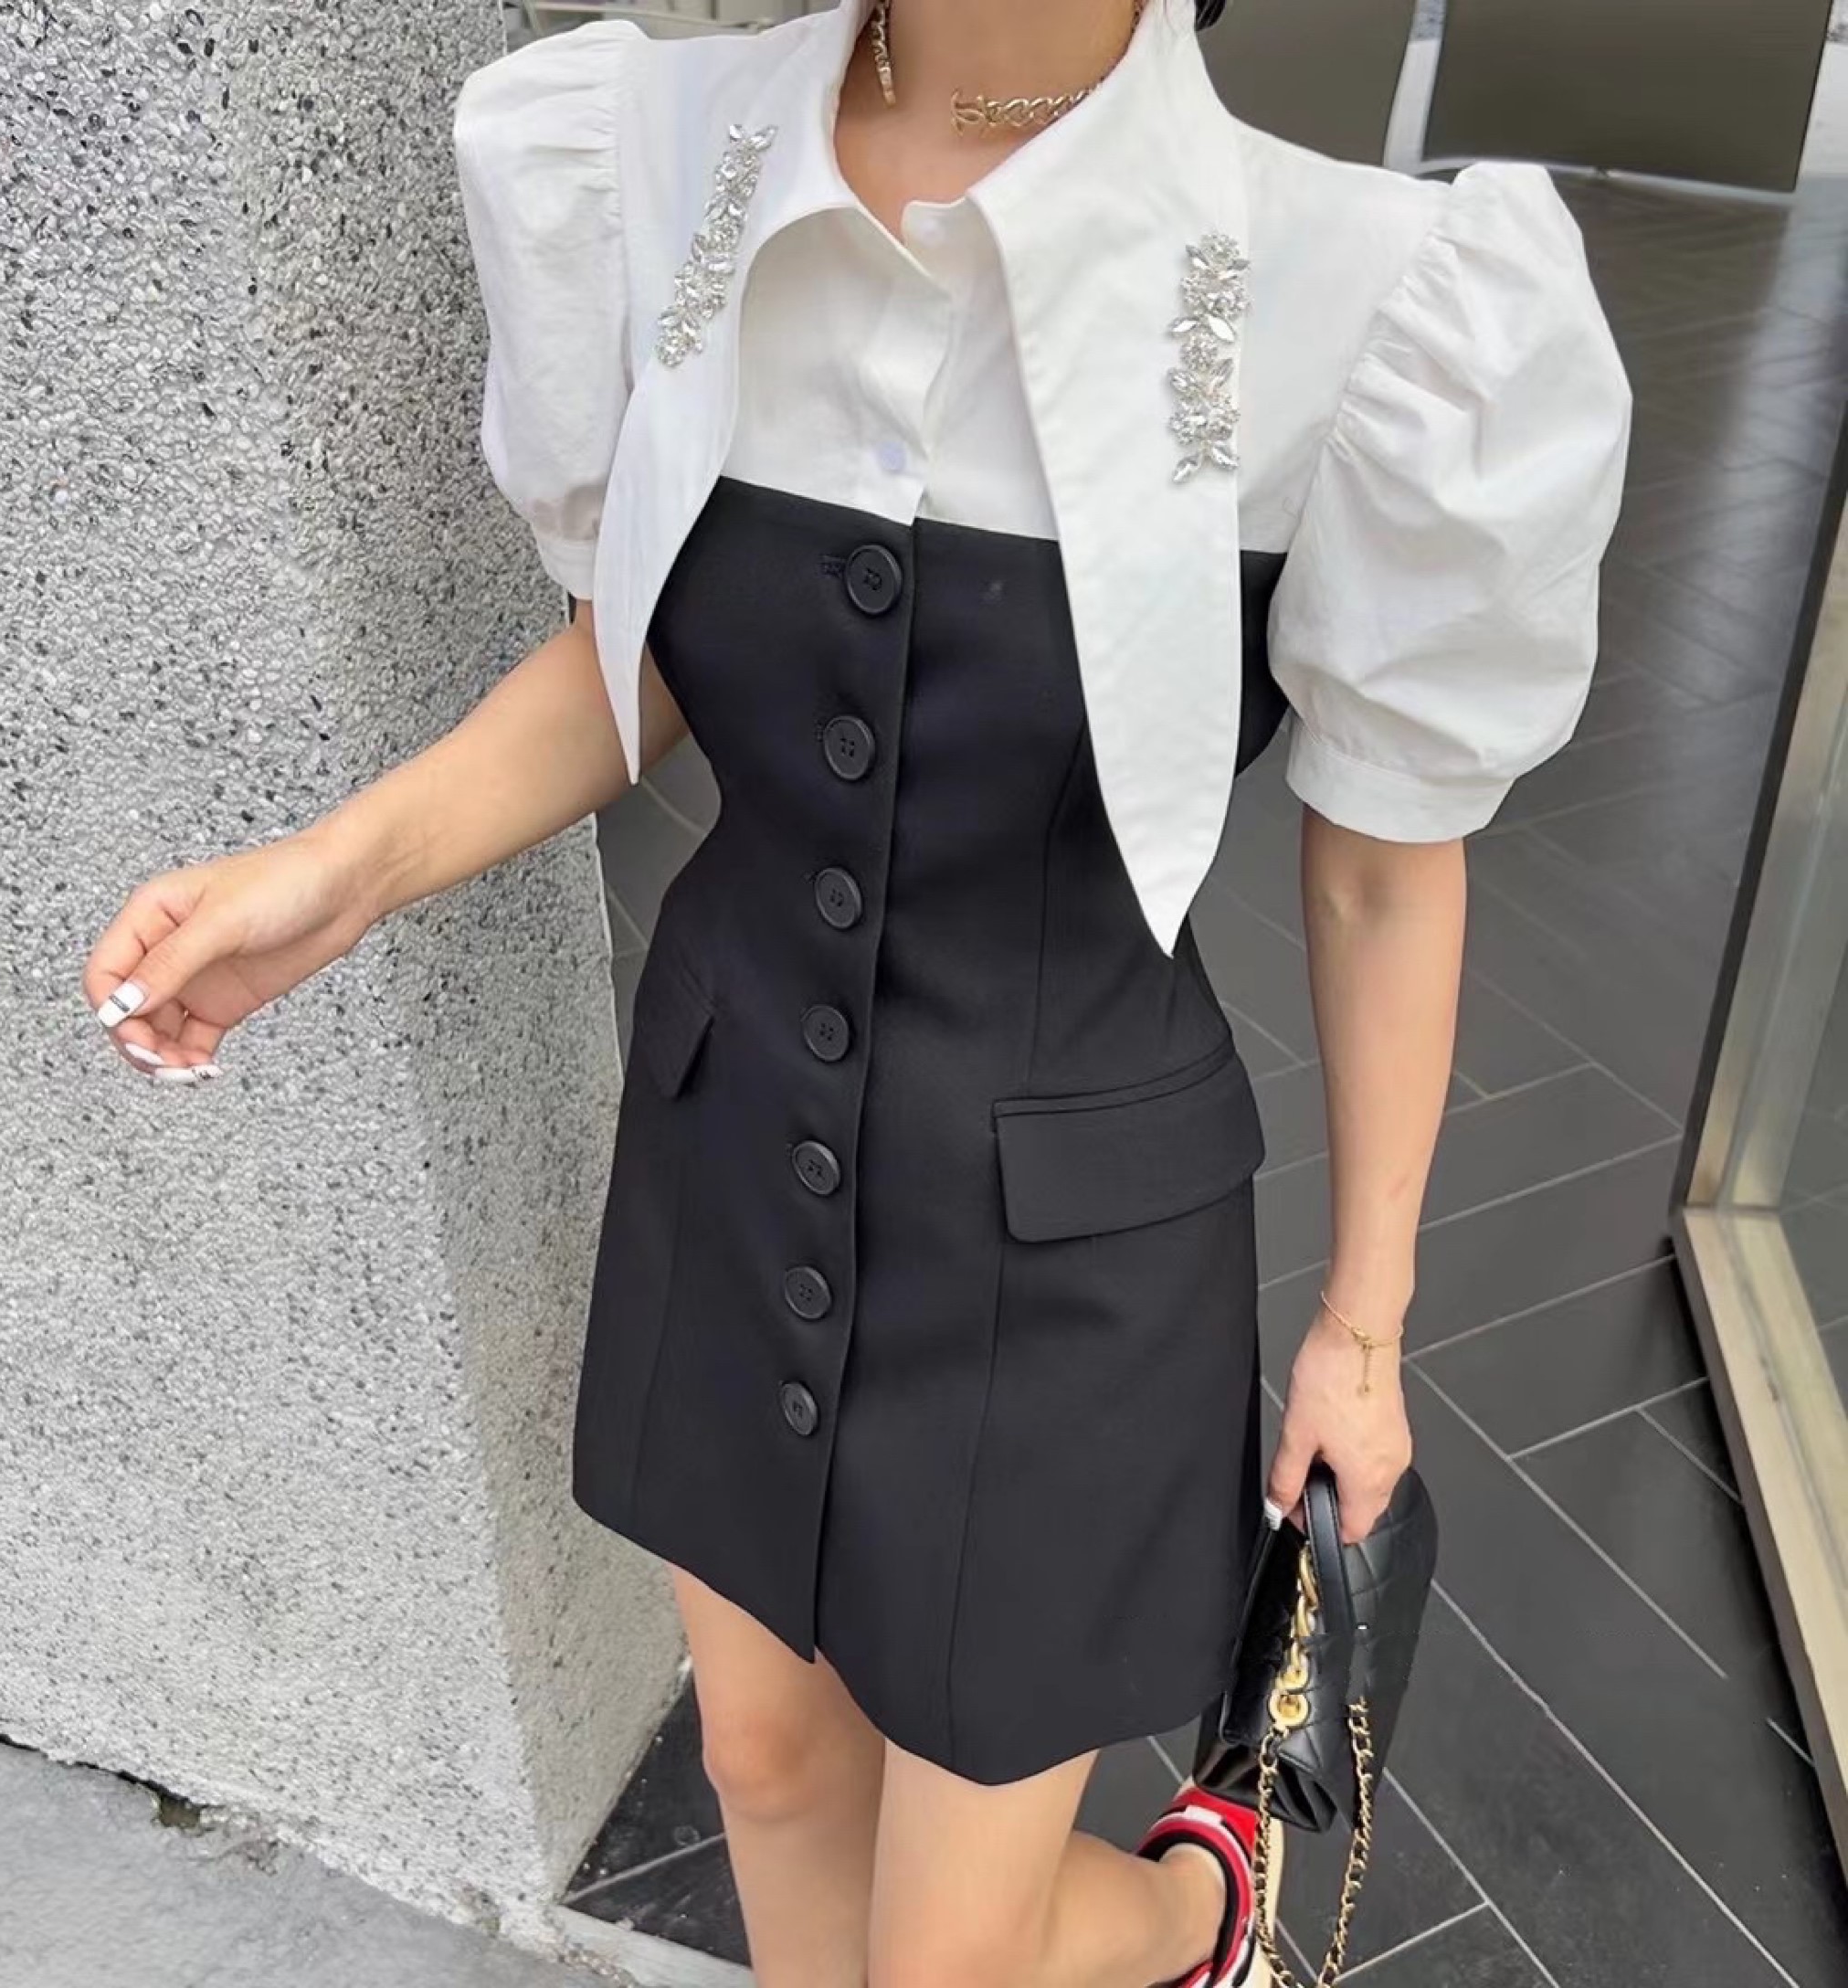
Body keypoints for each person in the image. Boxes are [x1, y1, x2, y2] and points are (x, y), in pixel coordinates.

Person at [80, 0, 1632, 1982]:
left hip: (1067, 1238)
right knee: (765, 1761)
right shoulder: (646, 152)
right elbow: (640, 648)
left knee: (952, 1957)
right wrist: (345, 870)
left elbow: (1388, 866)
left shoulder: (1360, 288)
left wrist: (1365, 1321)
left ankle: (1206, 1906)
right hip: (729, 1143)